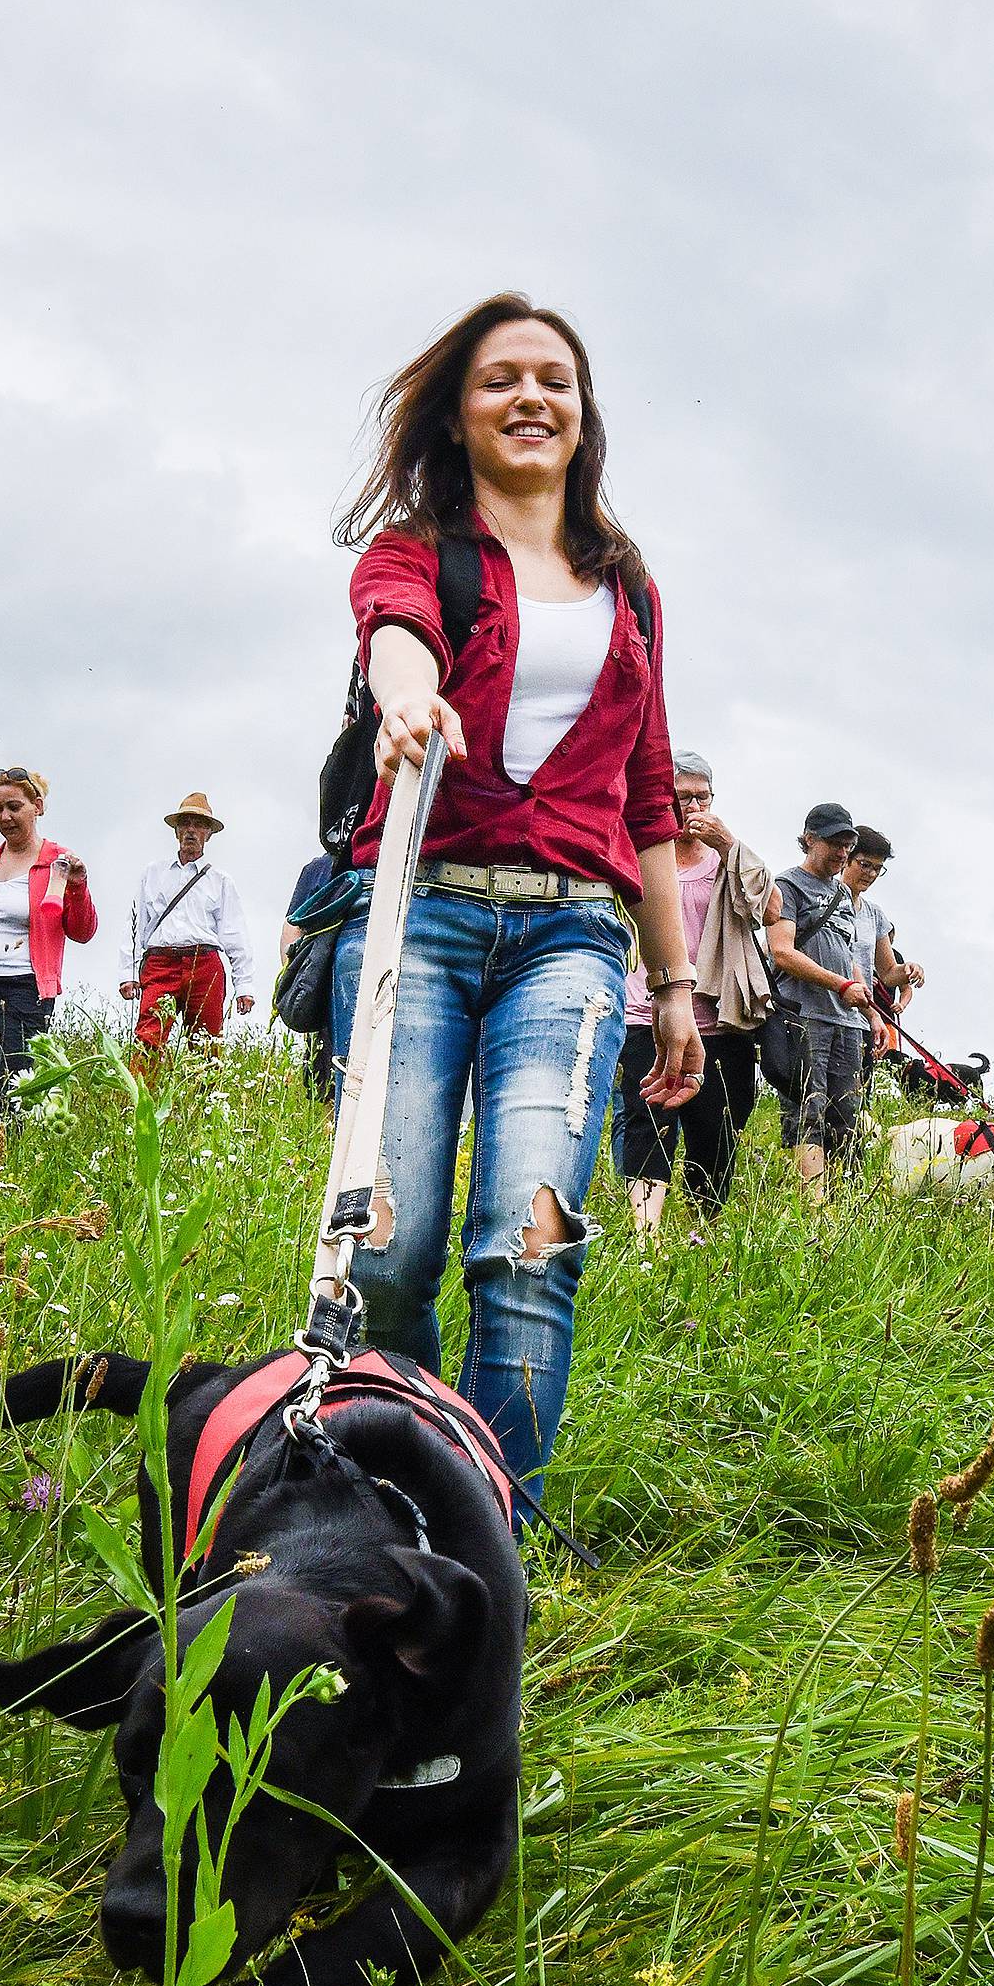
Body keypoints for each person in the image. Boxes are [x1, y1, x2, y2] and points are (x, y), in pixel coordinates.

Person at [330, 291, 698, 1507]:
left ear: (584, 417)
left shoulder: (628, 589)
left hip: (574, 937)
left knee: (527, 1246)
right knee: (387, 1249)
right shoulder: (416, 551)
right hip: (419, 914)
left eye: (555, 379)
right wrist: (404, 701)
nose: (530, 397)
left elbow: (649, 791)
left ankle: (492, 1534)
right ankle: (388, 1506)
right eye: (499, 380)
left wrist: (679, 986)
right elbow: (399, 634)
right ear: (458, 413)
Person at [614, 751, 768, 1234]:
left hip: (720, 1019)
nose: (693, 808)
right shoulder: (637, 857)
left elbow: (768, 905)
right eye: (682, 798)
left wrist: (731, 847)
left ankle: (706, 1223)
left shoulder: (726, 863)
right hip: (647, 1011)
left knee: (716, 1129)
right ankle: (646, 1239)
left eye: (702, 797)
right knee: (648, 1118)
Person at [0, 767, 97, 1127]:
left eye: (14, 807)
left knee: (6, 1081)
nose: (5, 817)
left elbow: (82, 931)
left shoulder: (57, 861)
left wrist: (78, 886)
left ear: (37, 806)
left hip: (24, 985)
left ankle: (1, 1159)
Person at [765, 804, 873, 1197]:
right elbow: (782, 952)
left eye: (848, 845)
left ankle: (845, 1203)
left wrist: (868, 1008)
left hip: (848, 1021)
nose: (842, 853)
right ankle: (813, 1205)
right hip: (803, 1017)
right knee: (807, 1108)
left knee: (847, 1114)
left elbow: (849, 957)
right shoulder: (786, 886)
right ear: (810, 838)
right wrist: (840, 985)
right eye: (835, 843)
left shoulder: (844, 893)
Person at [120, 794, 255, 1056]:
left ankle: (202, 1097)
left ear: (208, 833)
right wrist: (128, 973)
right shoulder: (153, 873)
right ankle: (141, 1095)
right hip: (161, 963)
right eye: (185, 824)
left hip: (205, 964)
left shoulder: (220, 880)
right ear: (177, 831)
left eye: (198, 824)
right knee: (148, 1039)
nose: (191, 830)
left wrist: (245, 986)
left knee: (206, 1045)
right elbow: (137, 923)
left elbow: (235, 933)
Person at [844, 825, 923, 1084]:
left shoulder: (874, 914)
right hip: (825, 1013)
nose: (871, 874)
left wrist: (908, 969)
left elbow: (888, 973)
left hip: (863, 1020)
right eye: (865, 864)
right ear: (845, 856)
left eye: (878, 869)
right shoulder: (822, 897)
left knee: (857, 1105)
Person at [281, 847, 336, 1100]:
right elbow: (292, 928)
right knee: (324, 1077)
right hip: (323, 986)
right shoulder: (318, 869)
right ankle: (328, 1136)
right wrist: (296, 986)